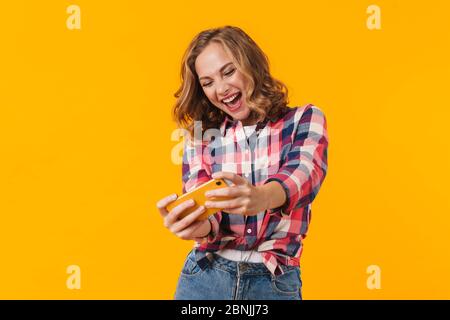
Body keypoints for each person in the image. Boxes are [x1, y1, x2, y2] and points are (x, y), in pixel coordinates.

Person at [156, 25, 328, 300]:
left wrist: (261, 196)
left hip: (274, 281)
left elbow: (305, 174)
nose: (221, 89)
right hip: (205, 278)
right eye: (208, 82)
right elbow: (208, 215)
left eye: (228, 71)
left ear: (252, 64)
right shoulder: (201, 135)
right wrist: (191, 224)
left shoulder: (304, 120)